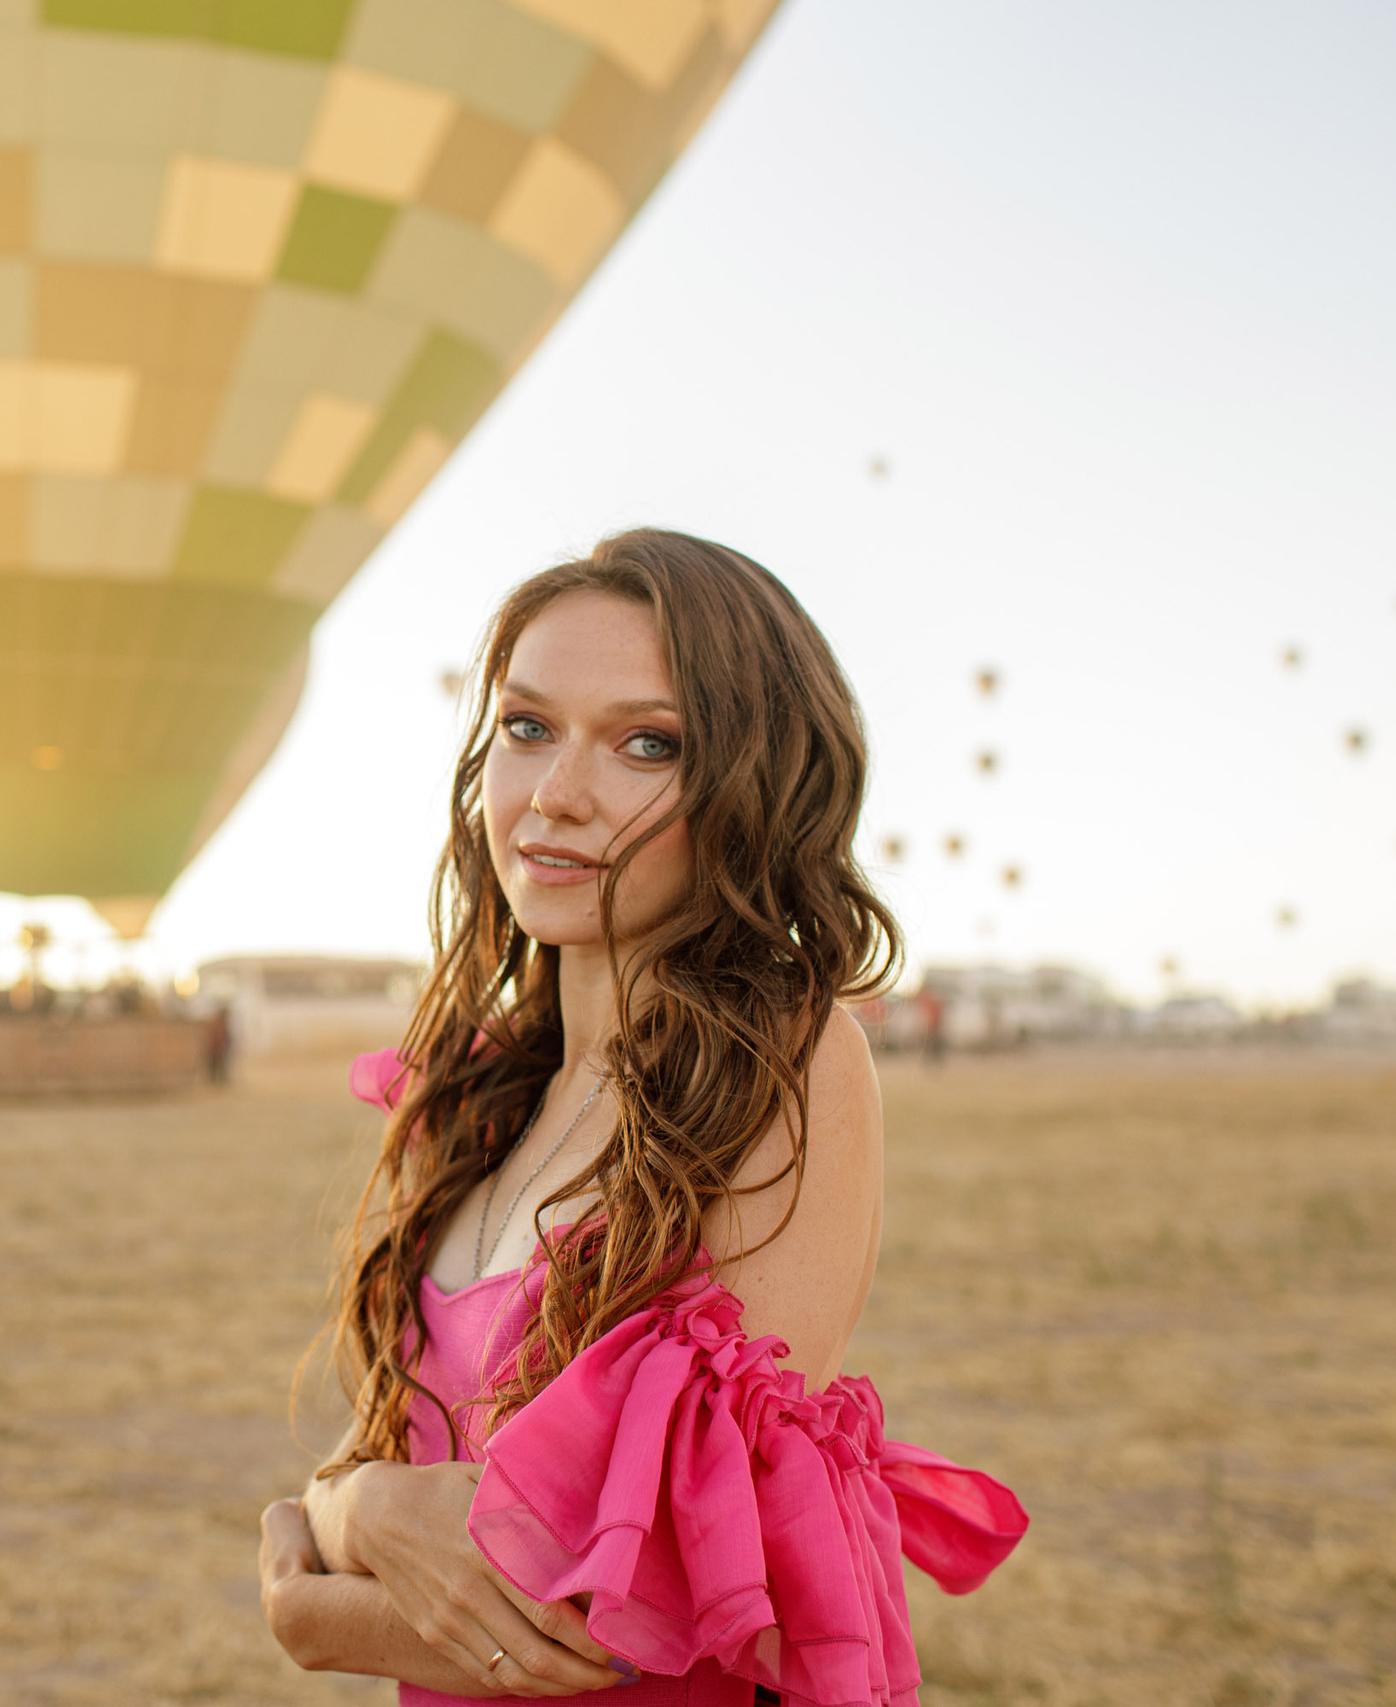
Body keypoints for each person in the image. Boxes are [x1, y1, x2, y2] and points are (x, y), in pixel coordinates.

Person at [257, 531, 1026, 1705]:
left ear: (751, 788)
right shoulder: (478, 1099)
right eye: (526, 727)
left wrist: (322, 1599)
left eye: (645, 744)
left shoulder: (788, 1061)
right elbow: (393, 1477)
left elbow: (641, 1610)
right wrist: (356, 1504)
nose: (556, 794)